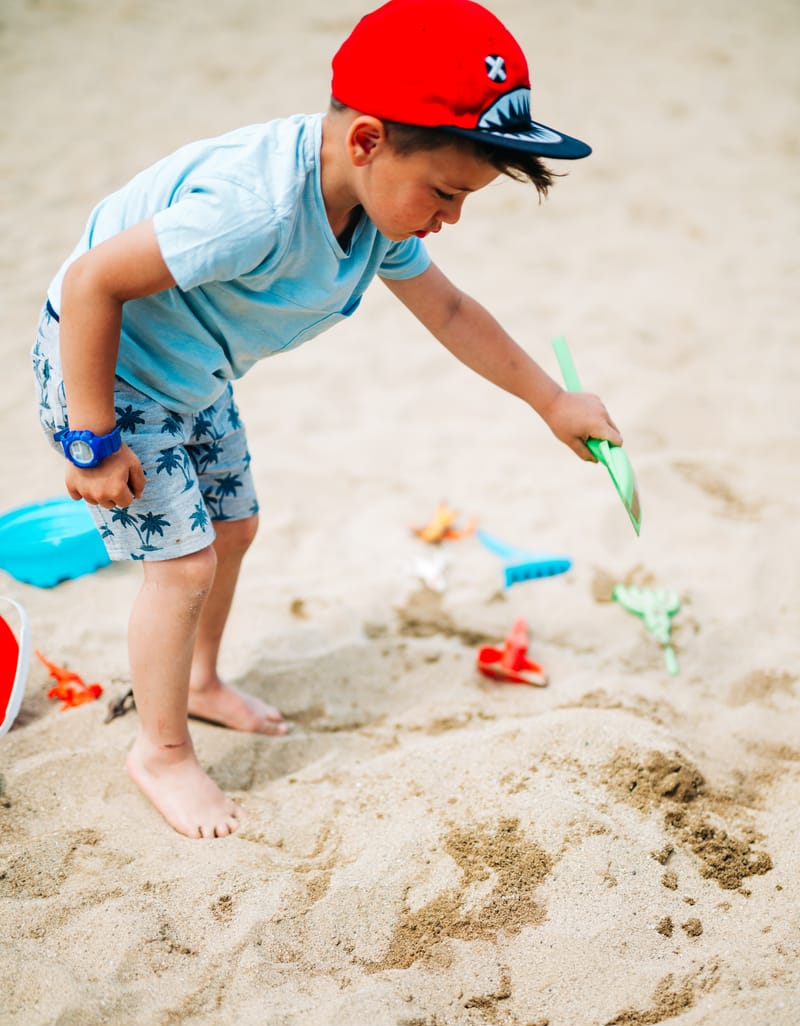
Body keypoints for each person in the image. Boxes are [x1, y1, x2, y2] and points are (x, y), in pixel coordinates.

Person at [32, 0, 622, 840]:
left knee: (234, 528)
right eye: (445, 193)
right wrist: (92, 441)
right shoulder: (254, 209)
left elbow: (450, 310)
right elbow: (92, 283)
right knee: (183, 566)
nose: (449, 219)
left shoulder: (375, 210)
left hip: (192, 373)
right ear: (367, 141)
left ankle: (198, 683)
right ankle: (160, 752)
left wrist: (550, 400)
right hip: (111, 372)